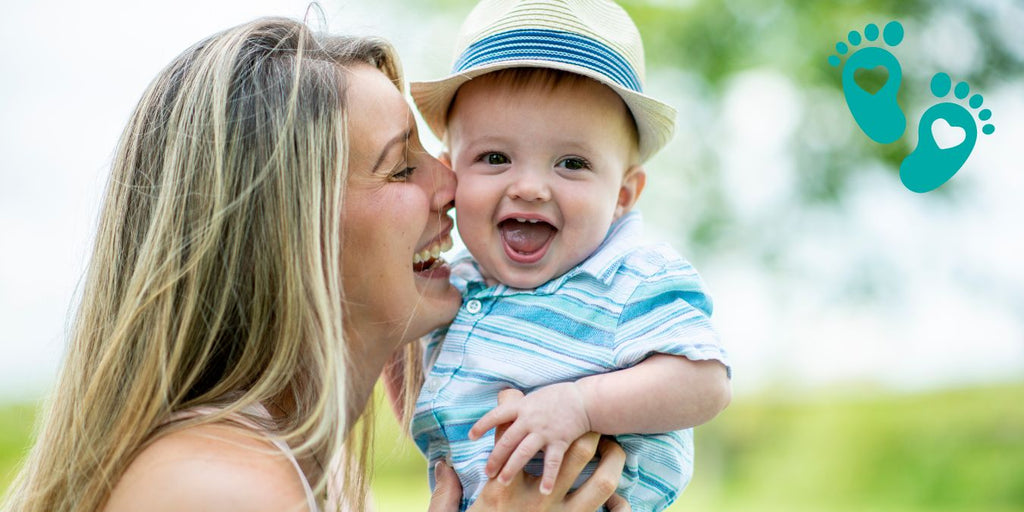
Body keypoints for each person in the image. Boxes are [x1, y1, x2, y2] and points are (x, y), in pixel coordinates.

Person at [0, 17, 631, 512]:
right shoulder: (223, 491)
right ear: (290, 231)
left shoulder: (312, 478)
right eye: (403, 165)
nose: (455, 185)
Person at [398, 1, 733, 510]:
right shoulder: (458, 284)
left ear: (623, 194)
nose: (530, 187)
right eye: (495, 157)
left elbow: (705, 383)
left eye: (571, 163)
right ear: (452, 173)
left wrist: (581, 404)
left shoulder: (630, 280)